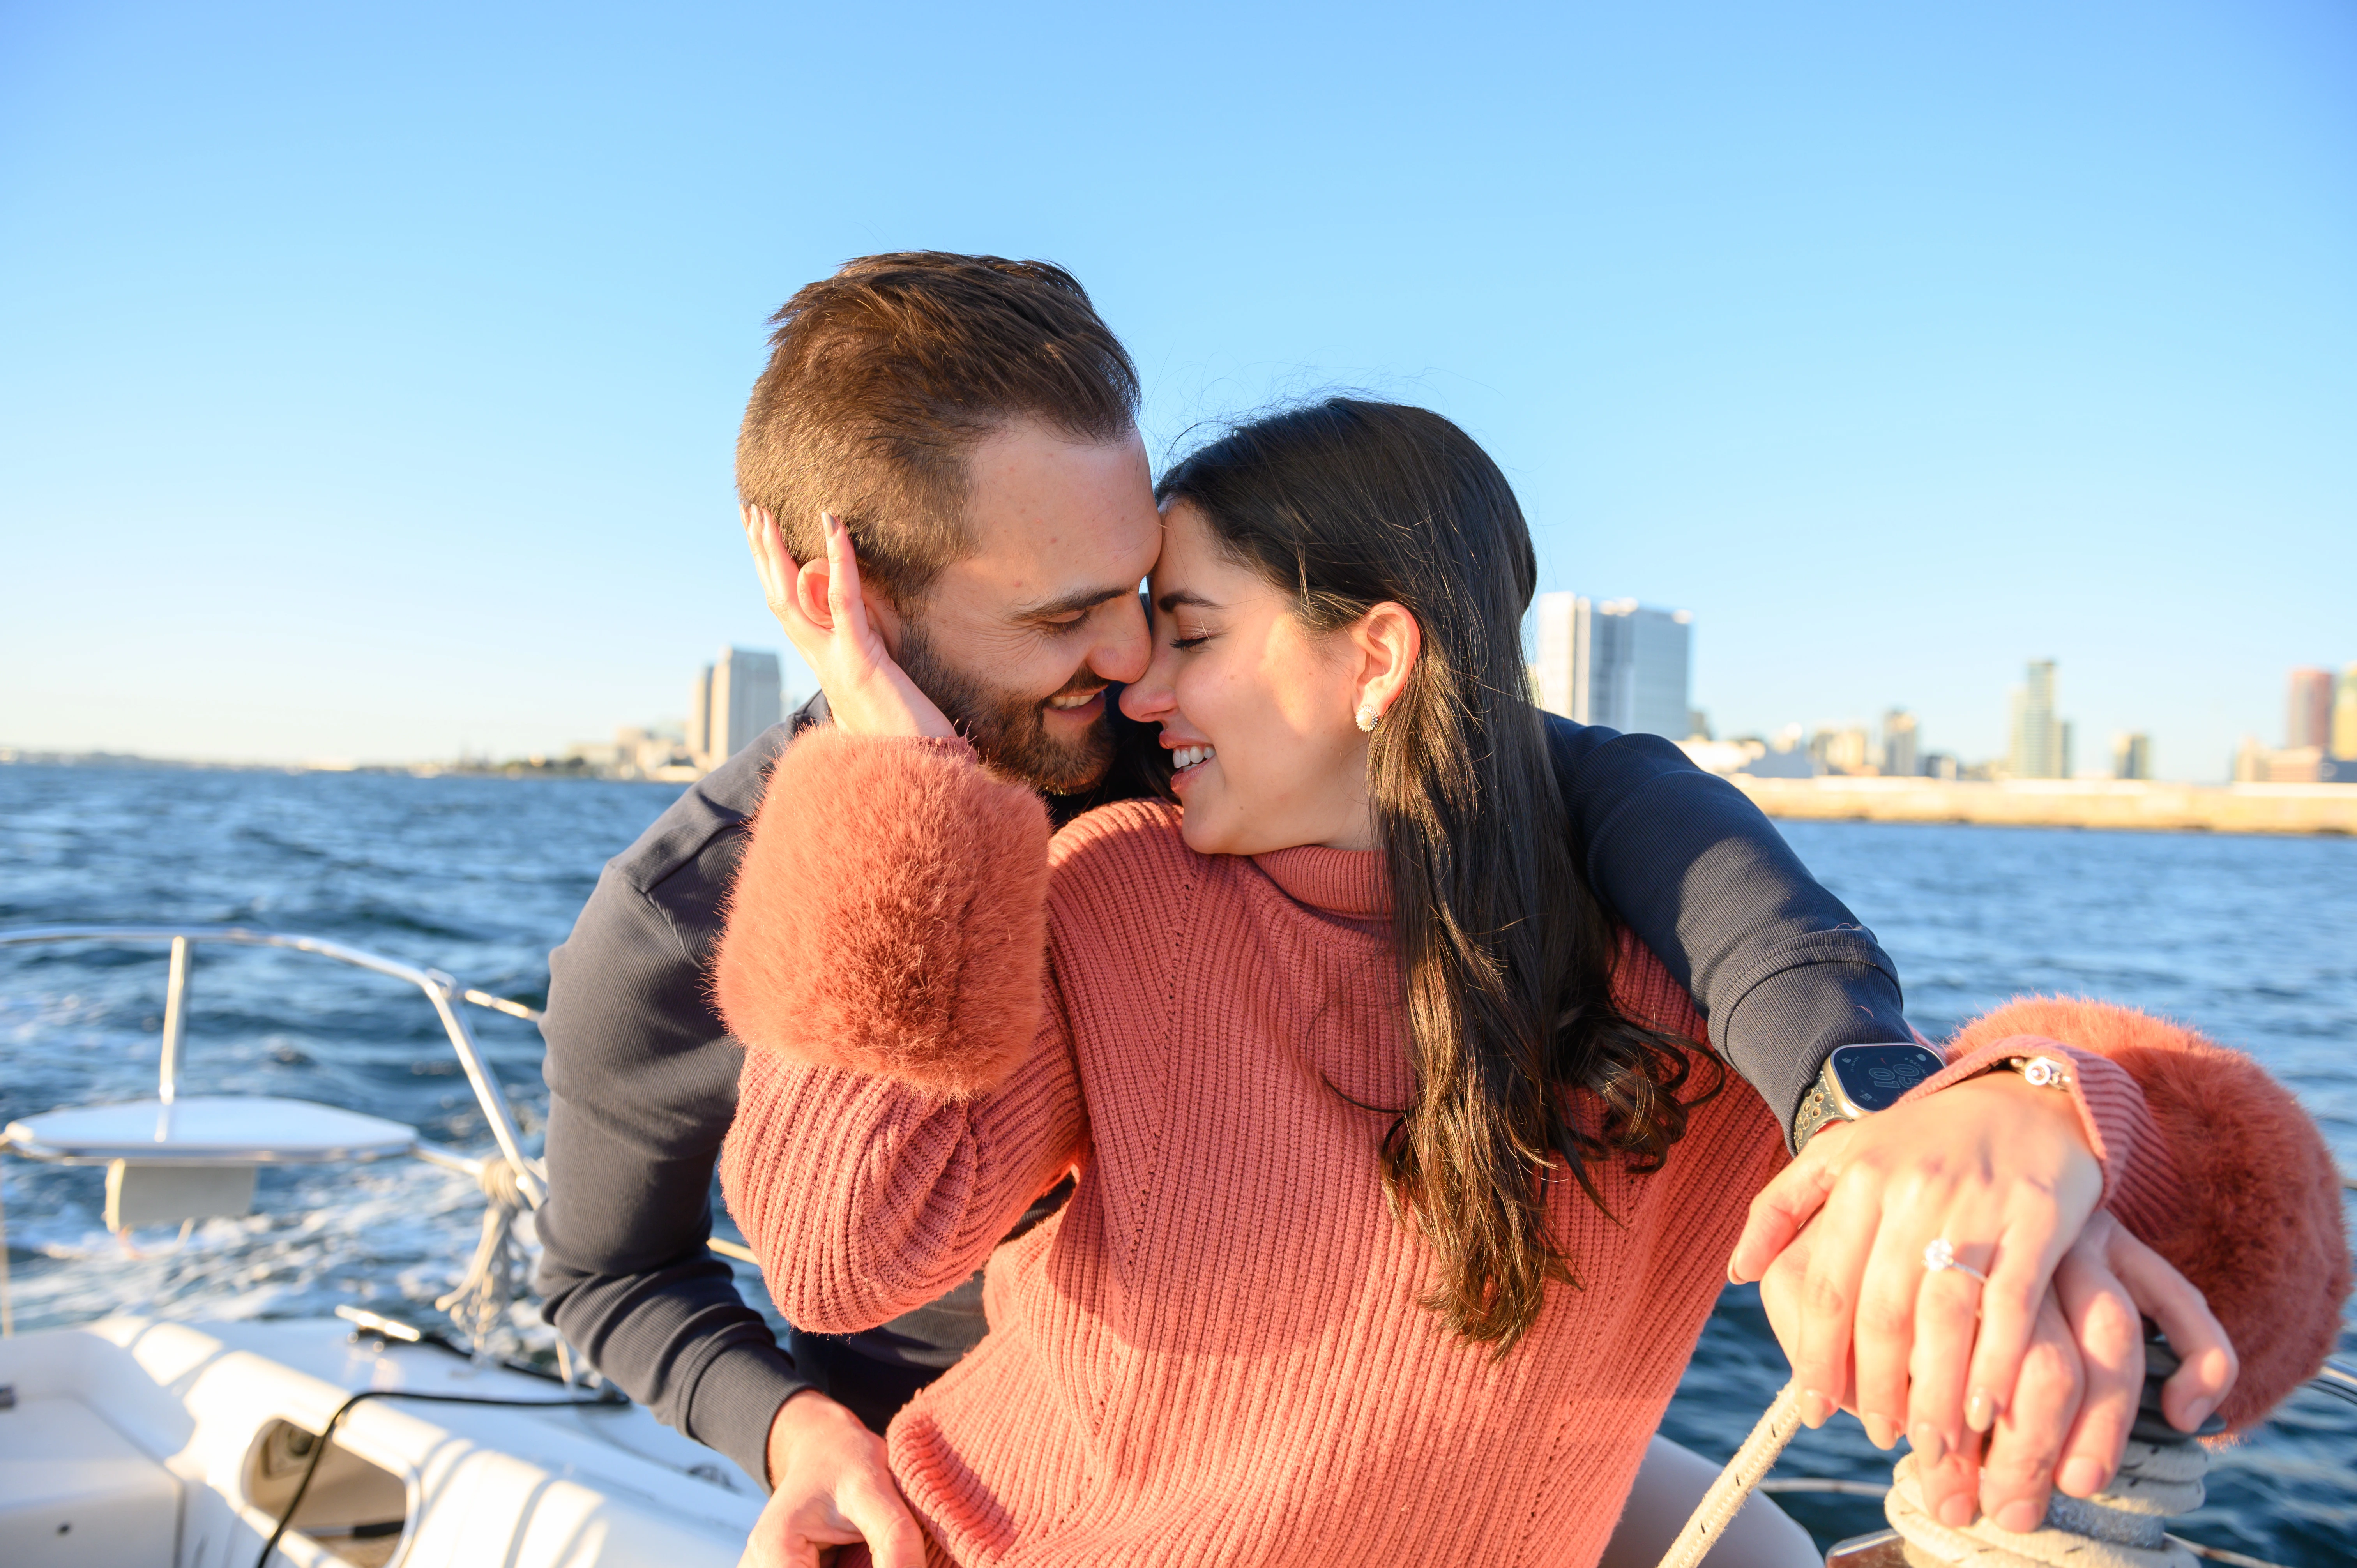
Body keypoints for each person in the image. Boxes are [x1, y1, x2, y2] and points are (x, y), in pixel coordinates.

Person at [537, 254, 2202, 1566]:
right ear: (849, 602)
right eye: (1072, 616)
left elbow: (1551, 780)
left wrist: (1929, 1091)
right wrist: (797, 1435)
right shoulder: (697, 923)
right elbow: (636, 1278)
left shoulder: (1177, 746)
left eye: (1149, 603)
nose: (1128, 666)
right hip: (966, 1455)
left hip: (1396, 1396)